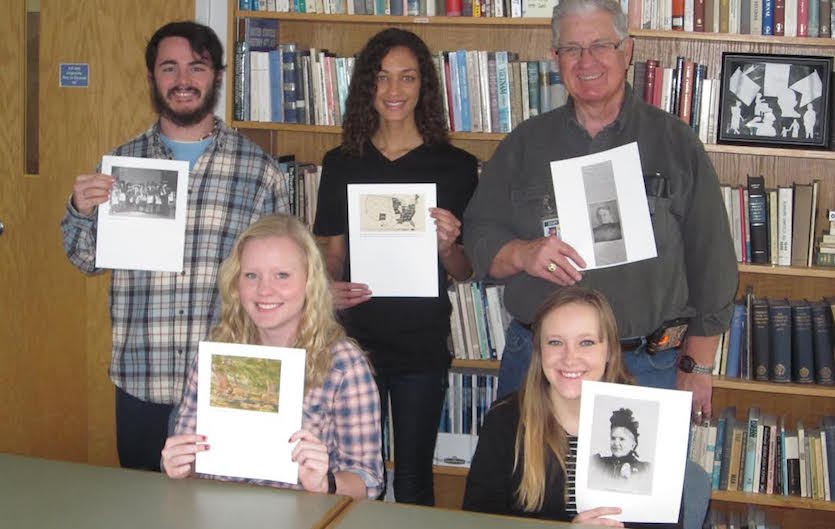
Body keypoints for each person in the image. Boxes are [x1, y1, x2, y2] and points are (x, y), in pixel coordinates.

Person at [462, 0, 737, 425]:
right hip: (543, 368)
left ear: (627, 51)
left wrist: (697, 366)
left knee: (629, 493)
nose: (586, 61)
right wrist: (521, 253)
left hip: (644, 368)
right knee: (533, 491)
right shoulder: (524, 145)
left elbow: (712, 259)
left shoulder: (674, 143)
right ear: (555, 59)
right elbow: (478, 235)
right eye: (571, 49)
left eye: (600, 46)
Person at [60, 21, 288, 471]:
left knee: (222, 514)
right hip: (143, 381)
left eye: (197, 67)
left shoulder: (259, 172)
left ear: (218, 77)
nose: (183, 80)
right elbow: (86, 260)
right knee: (143, 511)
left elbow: (284, 284)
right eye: (170, 68)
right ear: (152, 78)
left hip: (231, 385)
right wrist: (79, 210)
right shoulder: (123, 167)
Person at [313, 28, 478, 505]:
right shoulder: (342, 163)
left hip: (421, 346)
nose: (394, 91)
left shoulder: (457, 166)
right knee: (350, 477)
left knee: (412, 481)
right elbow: (331, 254)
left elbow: (465, 270)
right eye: (382, 78)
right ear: (367, 85)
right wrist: (330, 286)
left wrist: (448, 245)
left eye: (407, 78)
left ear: (424, 86)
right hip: (352, 344)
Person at [161, 215, 383, 499]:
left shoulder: (343, 364)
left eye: (282, 275)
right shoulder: (217, 356)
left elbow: (368, 481)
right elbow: (192, 462)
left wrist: (325, 482)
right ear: (235, 283)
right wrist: (181, 464)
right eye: (251, 275)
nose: (264, 290)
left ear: (310, 282)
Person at [462, 287, 679, 528]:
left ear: (608, 351)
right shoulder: (505, 421)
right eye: (556, 342)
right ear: (539, 351)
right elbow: (477, 520)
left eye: (586, 342)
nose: (569, 357)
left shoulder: (650, 421)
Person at [592, 408, 650, 482]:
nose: (616, 443)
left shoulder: (646, 469)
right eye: (613, 438)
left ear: (633, 445)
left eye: (622, 439)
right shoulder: (598, 463)